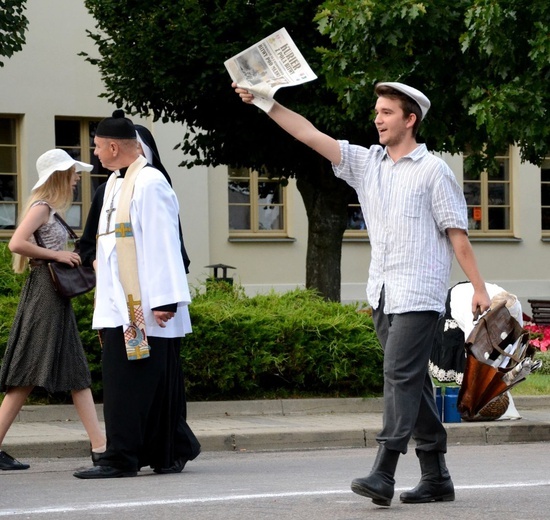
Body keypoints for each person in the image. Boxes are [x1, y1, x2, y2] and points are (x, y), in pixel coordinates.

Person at [233, 81, 491, 506]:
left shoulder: (434, 171)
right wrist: (267, 102)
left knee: (398, 376)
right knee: (413, 384)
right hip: (384, 292)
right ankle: (436, 475)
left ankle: (384, 470)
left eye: (387, 112)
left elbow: (457, 235)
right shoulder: (366, 163)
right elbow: (308, 133)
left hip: (419, 293)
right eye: (377, 111)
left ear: (410, 120)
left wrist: (478, 288)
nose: (378, 118)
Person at [73, 110, 200, 479]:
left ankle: (121, 457)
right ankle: (167, 450)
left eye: (96, 145)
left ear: (114, 146)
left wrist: (165, 300)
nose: (94, 152)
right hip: (119, 306)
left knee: (130, 383)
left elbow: (164, 243)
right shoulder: (114, 183)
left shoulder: (150, 183)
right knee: (138, 383)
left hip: (143, 308)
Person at [0, 149, 106, 470]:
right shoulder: (42, 207)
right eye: (73, 174)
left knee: (71, 372)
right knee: (28, 373)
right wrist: (58, 256)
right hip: (46, 293)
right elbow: (15, 243)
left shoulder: (50, 210)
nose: (76, 179)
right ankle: (101, 448)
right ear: (58, 175)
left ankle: (101, 447)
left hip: (51, 294)